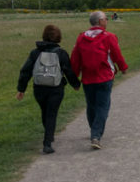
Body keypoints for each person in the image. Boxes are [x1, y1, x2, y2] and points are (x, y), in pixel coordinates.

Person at [16, 24, 81, 153]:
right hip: (56, 88)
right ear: (58, 37)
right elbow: (68, 71)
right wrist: (76, 84)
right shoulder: (61, 53)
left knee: (45, 112)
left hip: (39, 88)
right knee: (52, 113)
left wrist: (21, 89)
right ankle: (47, 143)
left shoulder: (35, 53)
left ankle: (49, 136)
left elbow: (25, 71)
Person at [70, 11, 128, 149]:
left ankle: (94, 130)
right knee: (102, 106)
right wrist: (123, 67)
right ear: (100, 21)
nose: (107, 21)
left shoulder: (81, 38)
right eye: (106, 19)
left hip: (88, 78)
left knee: (91, 105)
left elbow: (75, 59)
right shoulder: (109, 37)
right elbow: (116, 54)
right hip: (104, 77)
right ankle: (95, 136)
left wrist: (75, 79)